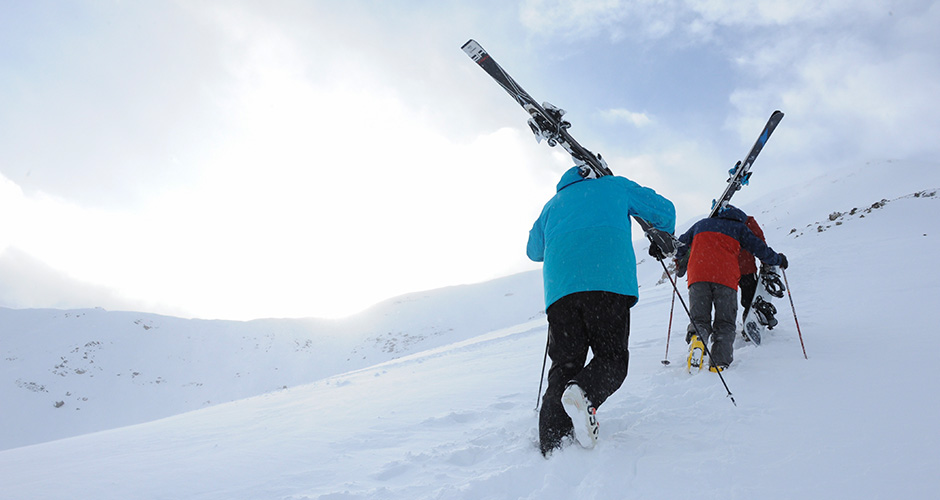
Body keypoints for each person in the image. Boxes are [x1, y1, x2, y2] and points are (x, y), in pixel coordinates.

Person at [527, 165, 675, 457]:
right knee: (611, 359)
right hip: (607, 284)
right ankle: (584, 392)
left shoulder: (552, 205)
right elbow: (664, 212)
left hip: (562, 293)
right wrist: (663, 235)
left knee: (564, 366)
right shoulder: (615, 187)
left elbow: (534, 250)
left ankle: (553, 445)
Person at [674, 205, 787, 372]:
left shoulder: (701, 224)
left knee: (699, 319)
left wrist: (680, 262)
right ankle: (719, 363)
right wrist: (778, 259)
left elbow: (679, 246)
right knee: (725, 322)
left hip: (697, 276)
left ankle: (698, 339)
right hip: (724, 278)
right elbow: (760, 249)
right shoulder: (739, 228)